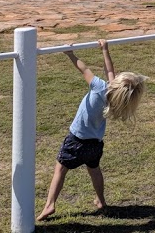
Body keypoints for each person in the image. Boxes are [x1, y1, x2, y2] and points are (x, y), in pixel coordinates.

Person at [38, 40, 147, 220]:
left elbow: (83, 69)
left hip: (76, 140)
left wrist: (70, 54)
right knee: (94, 170)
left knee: (60, 170)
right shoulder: (116, 98)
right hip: (95, 144)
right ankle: (101, 200)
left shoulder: (99, 87)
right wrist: (105, 50)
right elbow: (110, 72)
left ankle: (50, 204)